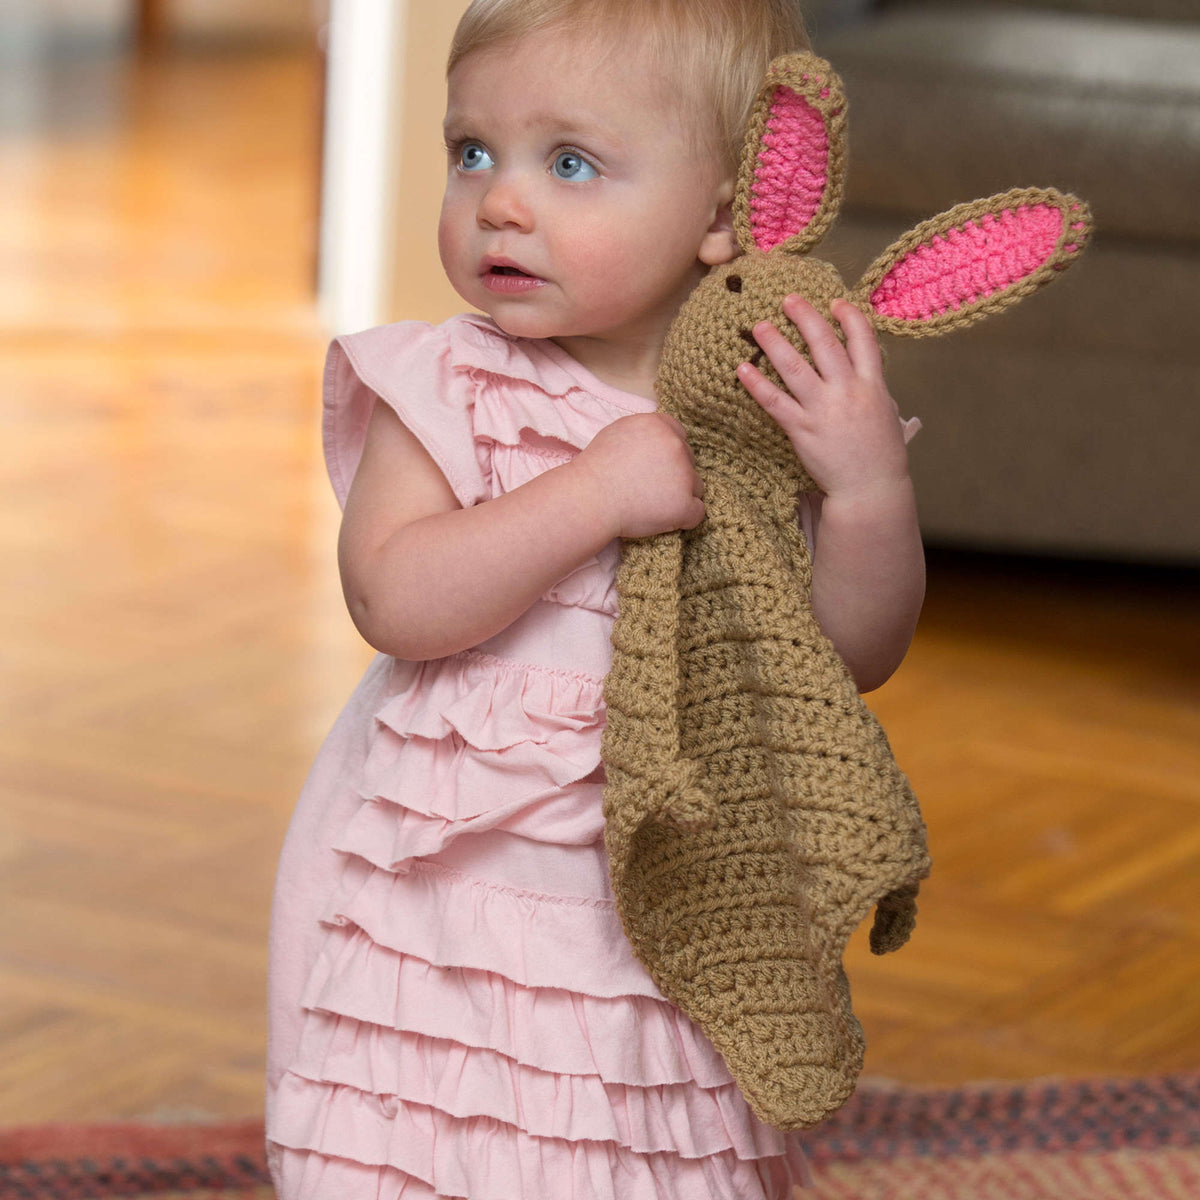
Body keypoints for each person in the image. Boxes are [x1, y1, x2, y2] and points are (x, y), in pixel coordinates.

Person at [265, 0, 925, 1195]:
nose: (500, 201)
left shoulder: (761, 408)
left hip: (665, 904)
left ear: (727, 211)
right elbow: (394, 597)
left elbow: (848, 657)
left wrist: (867, 490)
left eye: (570, 163)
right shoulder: (451, 382)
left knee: (634, 1147)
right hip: (448, 909)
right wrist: (591, 494)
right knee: (421, 1144)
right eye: (473, 152)